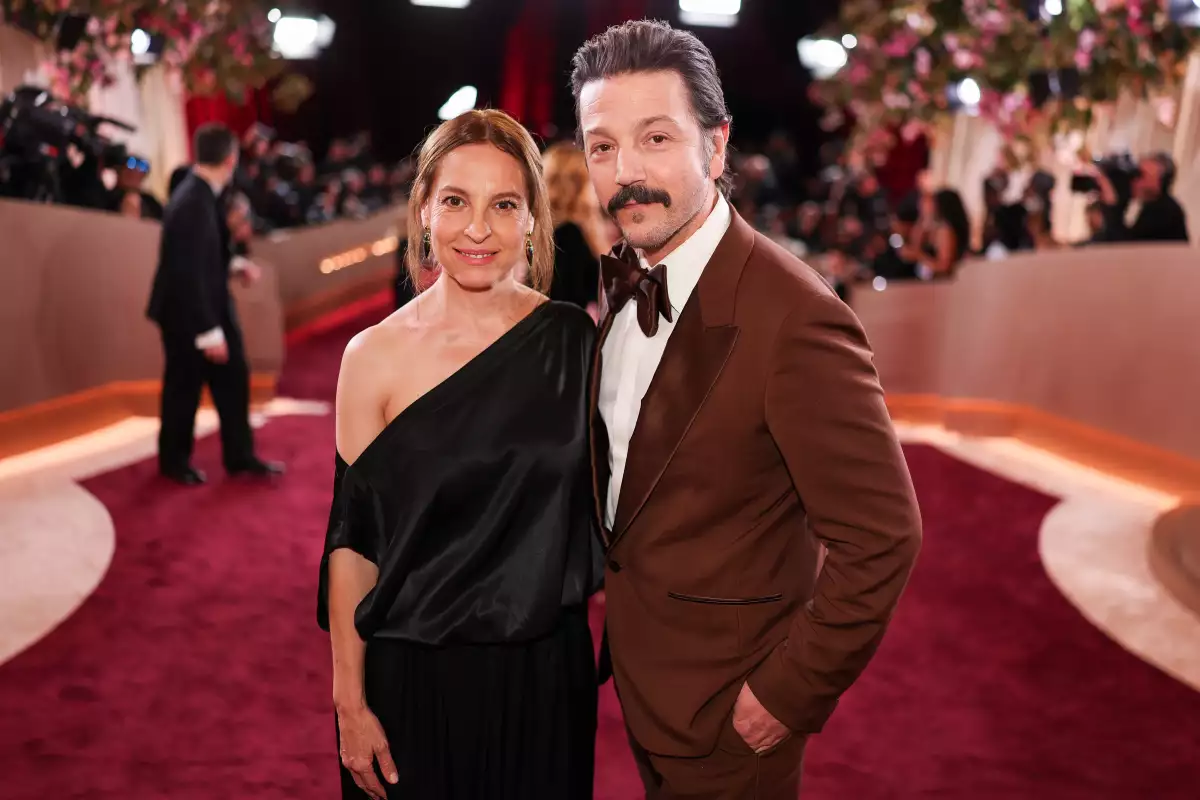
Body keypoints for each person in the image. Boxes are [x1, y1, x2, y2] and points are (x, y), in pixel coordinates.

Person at [571, 20, 923, 798]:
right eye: (602, 147)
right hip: (643, 684)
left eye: (655, 138)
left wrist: (785, 697)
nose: (626, 172)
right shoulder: (622, 277)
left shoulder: (796, 317)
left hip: (733, 719)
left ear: (716, 147)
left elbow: (883, 537)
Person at [318, 109, 602, 800]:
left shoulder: (574, 344)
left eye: (503, 205)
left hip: (543, 682)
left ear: (533, 218)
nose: (478, 228)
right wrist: (349, 705)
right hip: (411, 683)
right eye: (455, 201)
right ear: (423, 212)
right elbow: (352, 548)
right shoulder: (372, 357)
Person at [145, 123, 284, 485]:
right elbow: (185, 272)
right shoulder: (192, 200)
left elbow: (204, 255)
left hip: (205, 305)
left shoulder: (202, 193)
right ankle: (174, 464)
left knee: (233, 380)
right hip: (188, 315)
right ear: (230, 159)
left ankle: (240, 457)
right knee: (183, 389)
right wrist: (208, 333)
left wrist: (235, 265)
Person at [543, 142, 604, 317]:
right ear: (572, 186)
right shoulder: (568, 236)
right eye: (591, 180)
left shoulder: (558, 233)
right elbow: (569, 300)